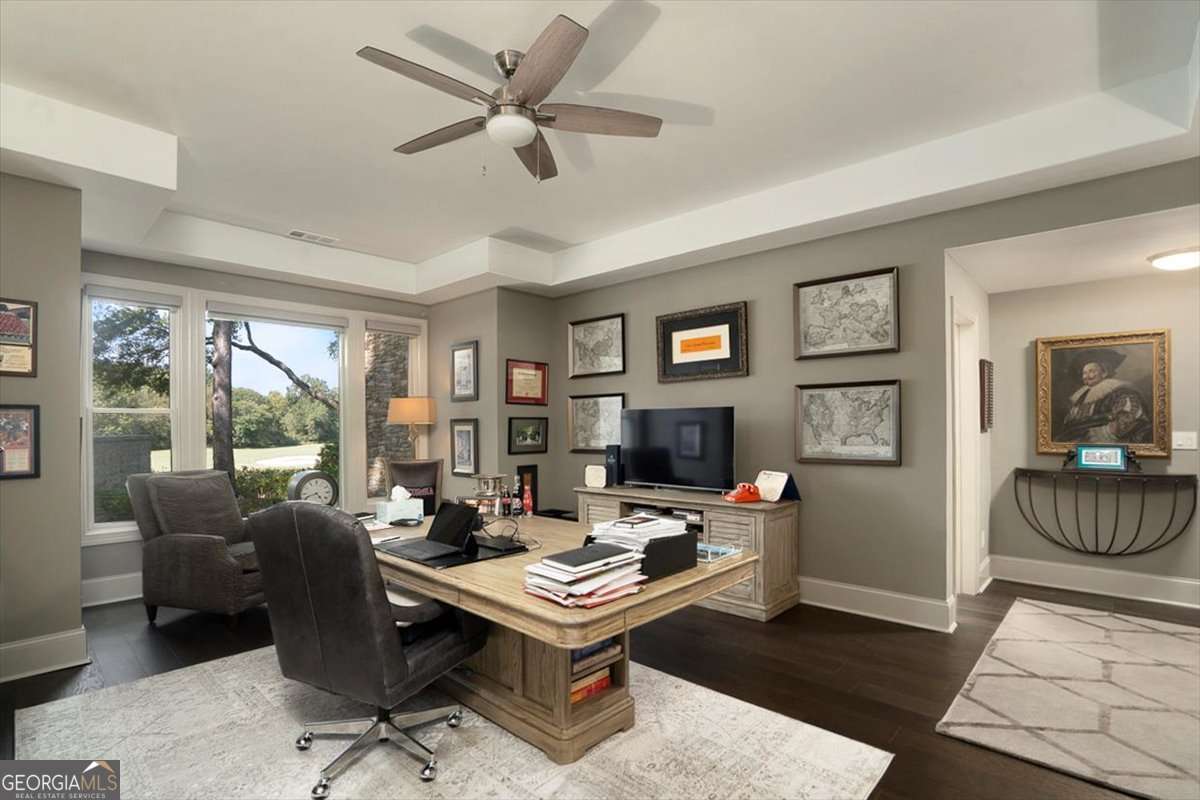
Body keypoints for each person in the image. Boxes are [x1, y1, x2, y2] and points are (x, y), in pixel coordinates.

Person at [1059, 348, 1151, 443]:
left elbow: (1131, 415)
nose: (1087, 376)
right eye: (1084, 373)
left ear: (1104, 373)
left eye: (1091, 371)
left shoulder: (1120, 390)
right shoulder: (1080, 397)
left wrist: (1107, 432)